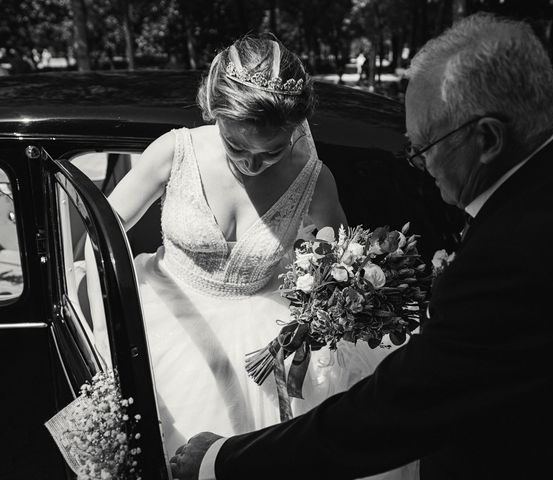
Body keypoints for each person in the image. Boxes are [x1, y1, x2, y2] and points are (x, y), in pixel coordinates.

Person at [171, 13, 553, 480]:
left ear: (489, 139)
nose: (418, 163)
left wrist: (223, 461)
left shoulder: (521, 255)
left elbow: (395, 413)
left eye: (424, 146)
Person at [84, 35, 416, 479]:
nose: (252, 165)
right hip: (161, 323)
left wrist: (317, 318)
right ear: (212, 111)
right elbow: (100, 233)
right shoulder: (174, 150)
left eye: (272, 152)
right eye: (236, 147)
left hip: (265, 343)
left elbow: (337, 273)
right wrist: (109, 332)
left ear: (296, 130)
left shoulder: (314, 180)